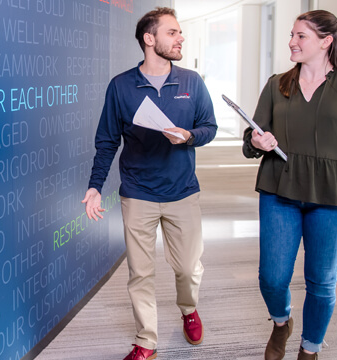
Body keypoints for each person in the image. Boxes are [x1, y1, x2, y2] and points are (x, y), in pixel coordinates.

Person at [242, 10, 337, 360]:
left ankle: (310, 349)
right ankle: (281, 322)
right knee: (272, 278)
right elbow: (252, 136)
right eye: (291, 34)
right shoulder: (277, 84)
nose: (291, 41)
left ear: (326, 41)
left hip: (333, 196)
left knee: (321, 281)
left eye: (300, 36)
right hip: (280, 190)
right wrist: (256, 141)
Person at [82, 7, 217, 360]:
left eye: (179, 33)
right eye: (173, 32)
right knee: (140, 273)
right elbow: (107, 141)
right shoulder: (121, 86)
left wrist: (189, 136)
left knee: (188, 268)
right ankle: (146, 341)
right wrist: (96, 186)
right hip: (138, 193)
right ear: (149, 38)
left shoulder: (192, 82)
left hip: (182, 192)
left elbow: (210, 128)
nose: (180, 38)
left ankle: (188, 309)